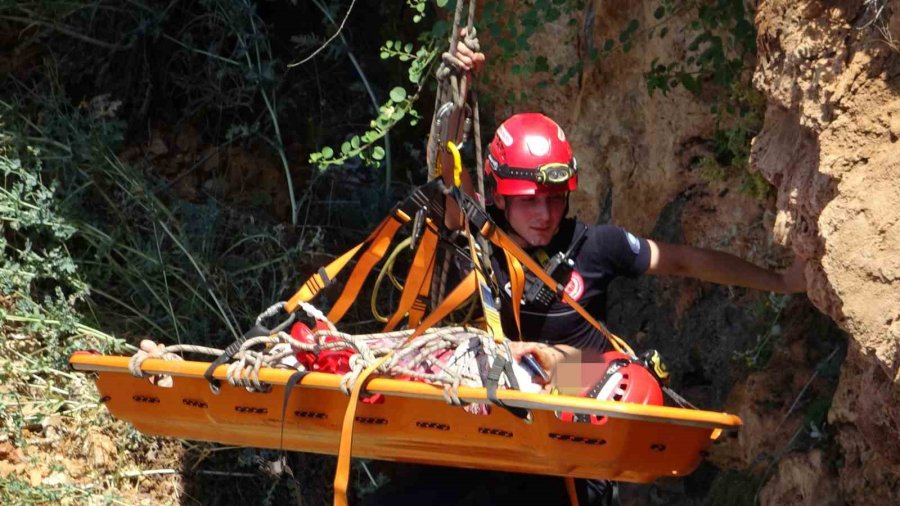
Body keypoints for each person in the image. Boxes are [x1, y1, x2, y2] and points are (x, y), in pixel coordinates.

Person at [362, 40, 805, 506]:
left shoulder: (596, 247)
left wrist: (779, 281)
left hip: (573, 439)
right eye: (529, 201)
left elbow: (684, 260)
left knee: (591, 378)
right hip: (499, 431)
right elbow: (450, 173)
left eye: (554, 198)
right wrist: (459, 92)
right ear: (500, 198)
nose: (544, 213)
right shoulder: (482, 241)